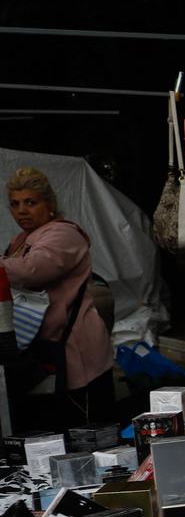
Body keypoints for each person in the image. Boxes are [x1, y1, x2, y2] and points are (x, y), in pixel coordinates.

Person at [2, 167, 114, 423]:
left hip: (74, 348)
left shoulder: (64, 233)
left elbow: (32, 271)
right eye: (15, 204)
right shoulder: (21, 239)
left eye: (31, 202)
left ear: (49, 203)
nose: (21, 210)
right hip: (43, 348)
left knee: (86, 431)